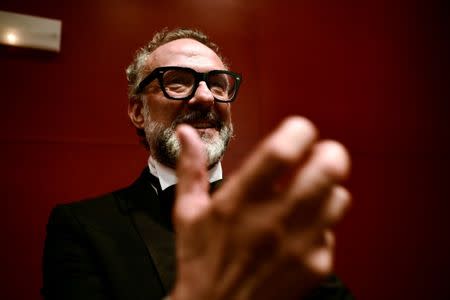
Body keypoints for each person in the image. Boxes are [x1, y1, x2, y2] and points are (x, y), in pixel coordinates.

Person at [42, 28, 353, 300]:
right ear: (138, 111)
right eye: (177, 82)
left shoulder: (273, 219)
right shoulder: (81, 227)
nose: (206, 97)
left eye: (218, 84)